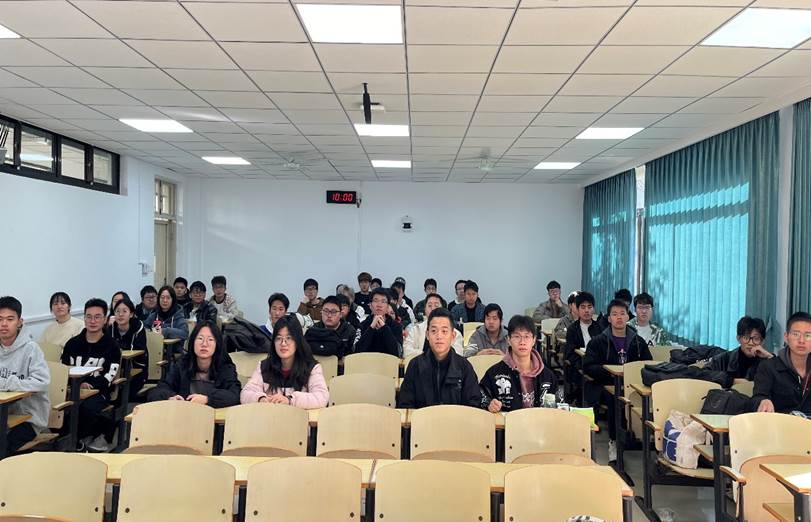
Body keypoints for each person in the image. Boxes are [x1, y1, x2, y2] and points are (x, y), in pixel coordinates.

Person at [583, 299, 652, 461]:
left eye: (622, 314)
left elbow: (647, 365)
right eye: (614, 314)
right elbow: (588, 366)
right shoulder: (598, 341)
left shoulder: (638, 342)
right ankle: (614, 441)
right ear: (609, 318)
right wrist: (610, 373)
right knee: (615, 398)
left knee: (647, 399)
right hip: (605, 385)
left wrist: (630, 375)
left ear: (628, 317)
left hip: (632, 385)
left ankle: (646, 440)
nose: (619, 317)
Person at [61, 298, 122, 452]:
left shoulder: (112, 346)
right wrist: (75, 384)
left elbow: (109, 375)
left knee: (85, 409)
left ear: (105, 319)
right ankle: (80, 439)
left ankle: (78, 440)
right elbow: (63, 370)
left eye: (97, 317)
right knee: (58, 410)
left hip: (98, 392)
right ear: (84, 318)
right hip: (72, 390)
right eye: (88, 316)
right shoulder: (72, 344)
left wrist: (91, 385)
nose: (92, 321)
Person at [397, 308, 481, 408]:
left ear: (453, 336)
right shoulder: (415, 365)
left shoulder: (464, 366)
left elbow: (473, 405)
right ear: (427, 335)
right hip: (423, 418)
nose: (439, 336)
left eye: (444, 331)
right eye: (434, 331)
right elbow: (405, 404)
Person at [241, 315, 329, 409]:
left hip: (299, 417)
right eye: (278, 338)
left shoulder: (312, 368)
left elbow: (322, 397)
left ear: (297, 341)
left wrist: (289, 400)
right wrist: (260, 399)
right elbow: (245, 393)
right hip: (270, 417)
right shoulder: (264, 366)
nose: (283, 343)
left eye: (289, 338)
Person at [148, 321, 241, 408]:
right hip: (186, 416)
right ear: (192, 342)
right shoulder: (182, 365)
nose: (204, 344)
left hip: (214, 417)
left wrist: (208, 399)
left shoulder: (225, 367)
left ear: (217, 344)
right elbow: (157, 391)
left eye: (210, 339)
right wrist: (170, 398)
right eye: (200, 338)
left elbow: (234, 395)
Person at [0, 296, 50, 454]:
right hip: (4, 413)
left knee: (3, 445)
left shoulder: (31, 349)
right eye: (0, 319)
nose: (4, 324)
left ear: (20, 322)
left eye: (10, 319)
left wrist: (7, 383)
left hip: (29, 417)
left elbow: (42, 382)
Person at [480, 314, 558, 412]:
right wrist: (489, 404)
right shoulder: (494, 373)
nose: (522, 342)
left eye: (527, 336)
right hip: (507, 421)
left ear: (534, 340)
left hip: (539, 421)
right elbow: (481, 396)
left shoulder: (547, 376)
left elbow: (559, 404)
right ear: (508, 340)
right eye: (517, 336)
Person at [753, 312, 811, 415]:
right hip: (779, 423)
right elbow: (758, 397)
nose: (801, 340)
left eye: (808, 335)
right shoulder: (768, 367)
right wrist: (763, 401)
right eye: (796, 334)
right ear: (786, 337)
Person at [707, 316, 772, 381]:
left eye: (756, 339)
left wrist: (769, 356)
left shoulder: (767, 361)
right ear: (738, 338)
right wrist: (731, 380)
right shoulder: (724, 359)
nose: (751, 343)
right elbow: (703, 374)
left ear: (762, 341)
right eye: (746, 338)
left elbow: (777, 379)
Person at [108, 298, 148, 400]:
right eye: (117, 311)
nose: (120, 314)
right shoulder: (111, 328)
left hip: (136, 369)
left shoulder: (138, 326)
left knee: (125, 394)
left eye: (124, 311)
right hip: (115, 368)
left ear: (131, 314)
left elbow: (139, 350)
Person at [403, 293, 463, 358]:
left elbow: (458, 353)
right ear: (425, 310)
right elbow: (406, 351)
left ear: (443, 309)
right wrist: (426, 355)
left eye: (436, 305)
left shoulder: (454, 333)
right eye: (429, 306)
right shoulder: (416, 330)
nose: (433, 308)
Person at [355, 288, 403, 357]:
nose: (379, 305)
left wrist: (384, 328)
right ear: (370, 305)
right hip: (366, 362)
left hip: (388, 363)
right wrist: (371, 328)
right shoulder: (362, 325)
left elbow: (397, 352)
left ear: (387, 307)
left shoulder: (396, 326)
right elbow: (356, 351)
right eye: (376, 300)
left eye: (383, 301)